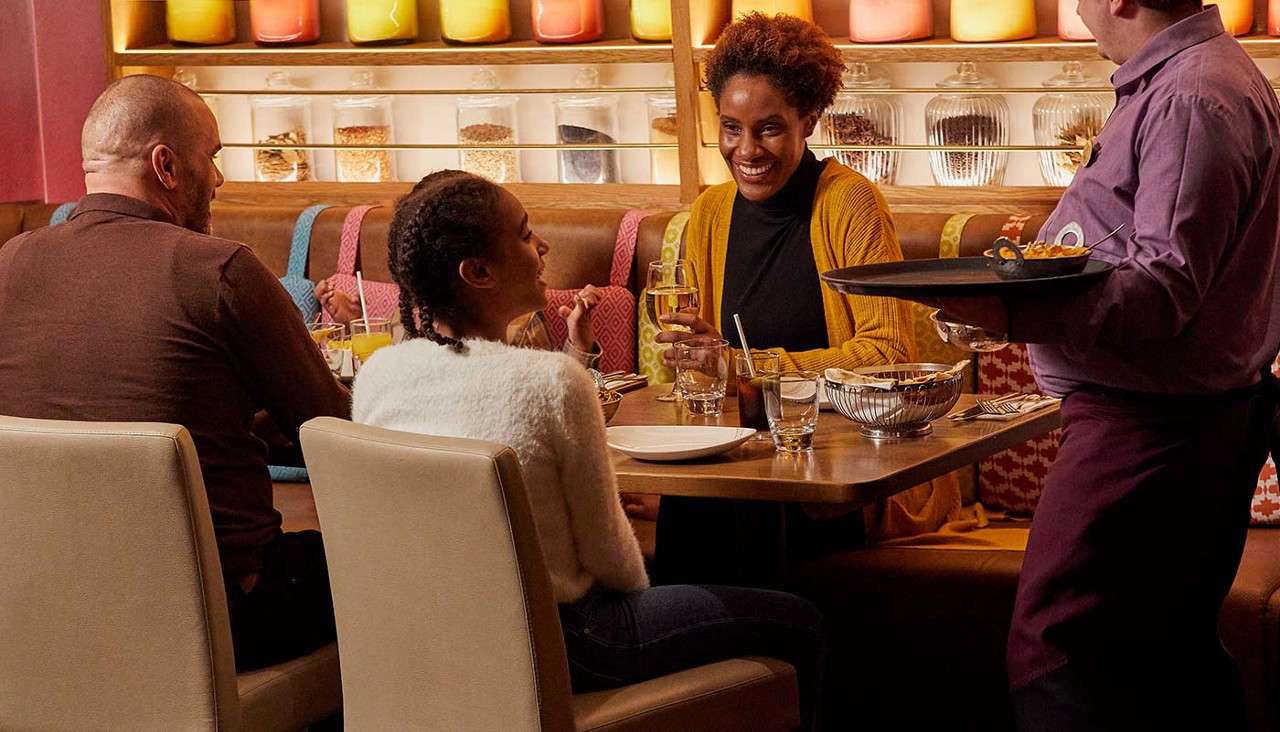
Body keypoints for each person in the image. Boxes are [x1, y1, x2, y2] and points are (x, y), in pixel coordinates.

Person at [351, 170, 827, 730]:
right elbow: (616, 565)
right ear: (478, 272)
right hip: (571, 642)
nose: (543, 247)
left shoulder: (379, 373)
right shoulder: (555, 381)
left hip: (427, 642)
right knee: (801, 620)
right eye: (525, 235)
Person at [922, 2, 1280, 728]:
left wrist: (1004, 310)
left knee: (1058, 649)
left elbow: (1161, 294)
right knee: (1166, 658)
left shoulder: (1189, 96)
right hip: (1176, 423)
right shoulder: (1191, 80)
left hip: (1149, 429)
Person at [0, 75, 351, 672]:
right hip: (217, 619)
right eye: (211, 158)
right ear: (165, 165)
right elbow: (335, 430)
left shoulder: (11, 262)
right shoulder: (219, 269)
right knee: (402, 558)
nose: (218, 179)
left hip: (48, 615)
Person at [646, 13, 959, 586]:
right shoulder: (710, 213)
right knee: (695, 503)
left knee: (748, 513)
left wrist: (748, 368)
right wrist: (698, 363)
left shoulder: (849, 203)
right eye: (731, 128)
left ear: (808, 120)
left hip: (842, 463)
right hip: (745, 453)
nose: (746, 149)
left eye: (768, 128)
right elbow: (710, 372)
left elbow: (887, 356)